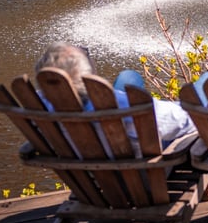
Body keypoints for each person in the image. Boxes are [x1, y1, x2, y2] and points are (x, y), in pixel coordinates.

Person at [34, 42, 196, 151]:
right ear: (85, 73)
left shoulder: (39, 105)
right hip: (141, 172)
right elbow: (188, 121)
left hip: (87, 171)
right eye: (86, 56)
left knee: (129, 77)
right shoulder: (126, 107)